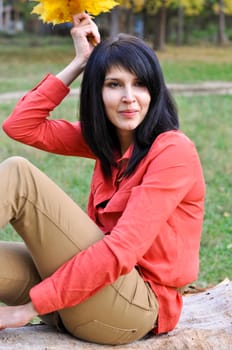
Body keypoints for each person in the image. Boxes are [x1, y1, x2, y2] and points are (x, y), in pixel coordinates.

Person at [0, 12, 205, 345]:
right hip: (82, 299)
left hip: (132, 308)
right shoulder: (104, 142)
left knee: (19, 173)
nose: (129, 97)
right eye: (114, 84)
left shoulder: (173, 152)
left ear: (154, 91)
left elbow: (121, 251)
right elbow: (21, 125)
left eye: (140, 84)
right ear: (97, 92)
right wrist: (81, 62)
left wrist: (26, 309)